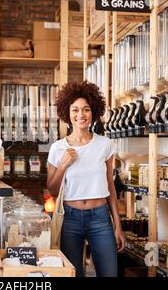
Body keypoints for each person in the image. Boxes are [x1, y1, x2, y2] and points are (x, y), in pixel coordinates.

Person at [47, 81, 125, 277]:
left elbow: (110, 186)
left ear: (93, 112)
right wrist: (63, 165)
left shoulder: (104, 145)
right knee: (73, 274)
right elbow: (53, 189)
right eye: (75, 110)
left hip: (100, 218)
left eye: (86, 109)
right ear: (67, 113)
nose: (80, 115)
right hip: (69, 218)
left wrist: (118, 225)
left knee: (109, 273)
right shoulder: (58, 148)